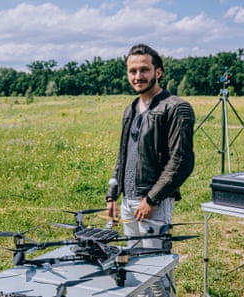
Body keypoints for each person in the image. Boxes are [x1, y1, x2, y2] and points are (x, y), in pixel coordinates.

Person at [105, 44, 195, 296]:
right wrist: (113, 195)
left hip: (152, 203)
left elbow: (181, 161)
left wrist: (152, 199)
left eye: (144, 69)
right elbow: (123, 155)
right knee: (133, 266)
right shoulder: (131, 108)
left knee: (156, 270)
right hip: (127, 202)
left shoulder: (176, 108)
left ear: (158, 72)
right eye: (132, 71)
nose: (138, 76)